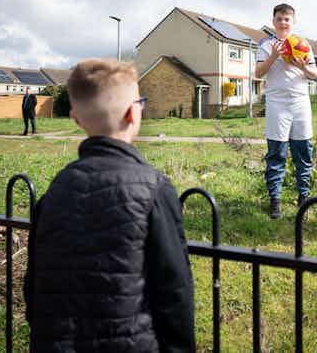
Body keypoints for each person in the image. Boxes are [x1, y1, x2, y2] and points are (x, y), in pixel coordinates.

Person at [23, 59, 196, 352]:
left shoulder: (54, 192)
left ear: (76, 119)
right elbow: (174, 293)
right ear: (133, 113)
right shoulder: (153, 189)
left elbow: (34, 291)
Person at [255, 3, 317, 219]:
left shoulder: (303, 45)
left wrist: (301, 65)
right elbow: (258, 73)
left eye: (287, 19)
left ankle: (303, 196)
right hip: (277, 104)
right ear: (273, 21)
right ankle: (275, 200)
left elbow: (314, 74)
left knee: (303, 151)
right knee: (276, 152)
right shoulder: (265, 44)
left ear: (293, 22)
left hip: (300, 103)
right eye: (280, 18)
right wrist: (273, 56)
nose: (283, 22)